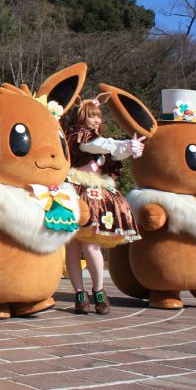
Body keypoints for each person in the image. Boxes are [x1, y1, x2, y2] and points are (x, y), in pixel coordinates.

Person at [63, 93, 143, 315]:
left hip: (95, 194)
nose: (96, 119)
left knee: (91, 245)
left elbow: (110, 151)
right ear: (81, 116)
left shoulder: (98, 140)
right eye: (91, 116)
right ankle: (79, 294)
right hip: (76, 191)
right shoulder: (77, 135)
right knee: (73, 245)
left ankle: (98, 290)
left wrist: (129, 148)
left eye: (98, 115)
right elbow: (97, 146)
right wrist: (123, 144)